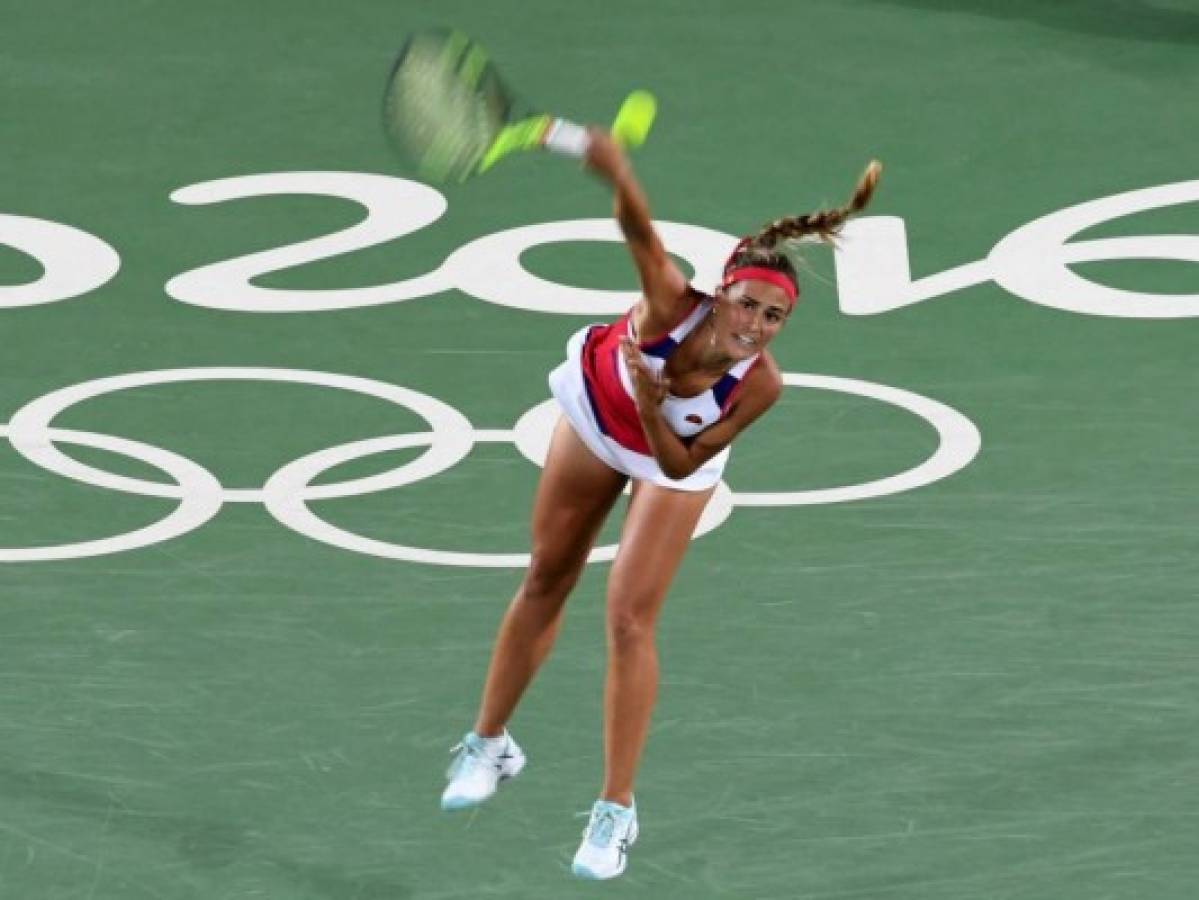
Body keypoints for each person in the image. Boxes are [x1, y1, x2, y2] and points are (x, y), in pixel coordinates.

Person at [440, 128, 881, 880]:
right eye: (745, 307)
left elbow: (676, 460)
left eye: (773, 320)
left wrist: (652, 408)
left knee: (628, 617)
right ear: (720, 294)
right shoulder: (667, 301)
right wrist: (604, 160)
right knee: (548, 575)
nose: (754, 328)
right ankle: (489, 743)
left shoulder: (762, 385)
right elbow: (634, 225)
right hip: (595, 411)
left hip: (666, 452)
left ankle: (615, 812)